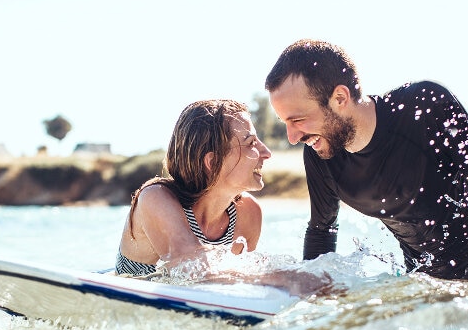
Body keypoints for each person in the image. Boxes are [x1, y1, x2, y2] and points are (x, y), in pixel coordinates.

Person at [265, 39, 468, 281]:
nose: (292, 137)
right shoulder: (321, 154)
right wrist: (310, 300)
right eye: (284, 122)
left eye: (297, 120)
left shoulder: (423, 106)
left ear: (340, 98)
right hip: (421, 280)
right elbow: (322, 231)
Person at [115, 99, 331, 295]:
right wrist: (285, 277)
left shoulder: (248, 213)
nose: (266, 153)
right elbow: (189, 266)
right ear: (212, 162)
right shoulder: (156, 198)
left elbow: (236, 287)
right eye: (250, 144)